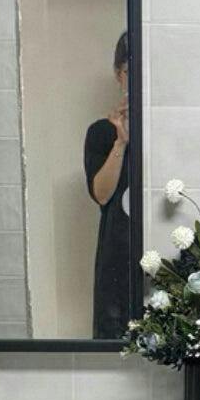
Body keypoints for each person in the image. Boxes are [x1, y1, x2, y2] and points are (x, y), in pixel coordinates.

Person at [83, 32, 131, 340]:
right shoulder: (101, 133)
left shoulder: (169, 132)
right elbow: (101, 195)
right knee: (113, 340)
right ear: (118, 74)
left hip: (165, 251)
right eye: (129, 71)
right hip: (118, 252)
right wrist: (120, 142)